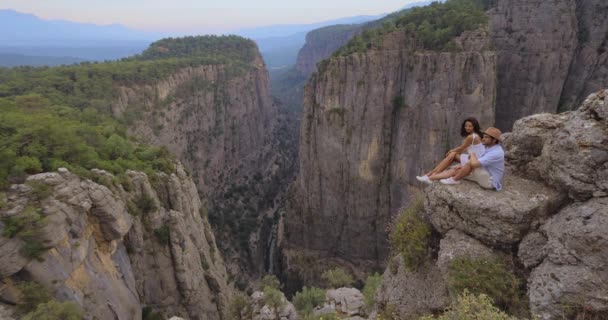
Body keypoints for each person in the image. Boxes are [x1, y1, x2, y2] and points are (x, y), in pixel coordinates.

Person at [422, 127, 505, 191]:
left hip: (490, 181)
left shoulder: (495, 152)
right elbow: (478, 160)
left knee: (468, 164)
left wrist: (472, 154)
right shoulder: (490, 147)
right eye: (484, 136)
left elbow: (474, 164)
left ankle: (454, 179)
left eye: (486, 137)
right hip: (485, 173)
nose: (483, 139)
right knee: (458, 168)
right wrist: (464, 165)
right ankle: (431, 178)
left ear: (494, 140)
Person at [416, 117, 485, 184]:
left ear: (474, 126)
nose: (467, 128)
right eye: (466, 126)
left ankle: (430, 175)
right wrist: (453, 152)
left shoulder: (471, 137)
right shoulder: (477, 134)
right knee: (453, 154)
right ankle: (431, 174)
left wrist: (451, 151)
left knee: (452, 154)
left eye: (470, 126)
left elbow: (461, 148)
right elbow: (465, 148)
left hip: (475, 161)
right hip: (474, 158)